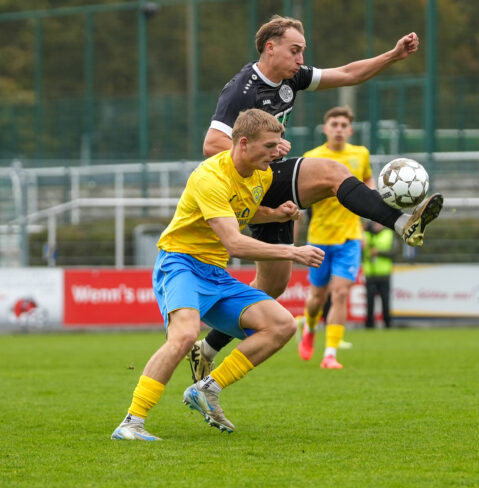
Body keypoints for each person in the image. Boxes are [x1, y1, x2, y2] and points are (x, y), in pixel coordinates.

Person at [188, 15, 444, 381]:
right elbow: (211, 145)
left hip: (268, 177)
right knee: (332, 173)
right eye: (295, 50)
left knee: (273, 285)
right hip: (250, 180)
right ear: (270, 48)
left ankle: (206, 349)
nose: (300, 58)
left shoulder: (291, 77)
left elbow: (348, 74)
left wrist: (392, 55)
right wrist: (271, 147)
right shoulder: (242, 90)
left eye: (302, 52)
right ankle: (404, 222)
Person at [111, 109, 325, 441]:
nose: (277, 152)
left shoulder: (261, 175)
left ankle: (207, 389)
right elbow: (234, 242)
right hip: (180, 264)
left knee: (282, 324)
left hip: (215, 273)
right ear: (243, 143)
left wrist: (275, 213)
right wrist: (292, 252)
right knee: (183, 337)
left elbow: (244, 212)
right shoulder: (209, 176)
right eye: (270, 146)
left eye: (278, 144)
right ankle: (131, 423)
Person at [298, 106, 370, 369]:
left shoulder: (360, 154)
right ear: (325, 129)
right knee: (317, 298)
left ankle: (330, 354)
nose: (339, 129)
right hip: (319, 237)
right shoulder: (312, 157)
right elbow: (302, 197)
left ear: (350, 130)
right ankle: (309, 328)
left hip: (350, 236)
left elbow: (368, 181)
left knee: (340, 294)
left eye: (343, 125)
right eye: (334, 124)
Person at [363, 219, 397, 328]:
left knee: (385, 300)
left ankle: (387, 324)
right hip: (370, 274)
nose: (376, 225)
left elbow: (395, 251)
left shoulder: (389, 234)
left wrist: (379, 252)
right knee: (369, 302)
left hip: (384, 274)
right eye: (374, 223)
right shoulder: (365, 235)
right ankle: (369, 325)